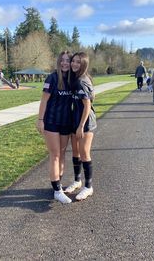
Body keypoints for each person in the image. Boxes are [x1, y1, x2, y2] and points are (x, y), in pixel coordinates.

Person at [36, 51, 73, 204]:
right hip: (51, 122)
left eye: (67, 60)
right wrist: (40, 120)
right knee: (55, 155)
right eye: (62, 60)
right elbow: (43, 101)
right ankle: (57, 191)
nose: (65, 63)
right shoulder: (51, 78)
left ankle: (58, 184)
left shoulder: (73, 79)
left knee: (63, 154)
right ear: (58, 62)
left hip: (66, 121)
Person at [64, 52, 97, 201]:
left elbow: (87, 105)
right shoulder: (75, 79)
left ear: (83, 64)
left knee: (84, 153)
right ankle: (77, 181)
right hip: (75, 119)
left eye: (78, 62)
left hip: (85, 121)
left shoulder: (82, 81)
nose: (74, 64)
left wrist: (81, 126)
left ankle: (88, 187)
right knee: (75, 152)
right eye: (73, 61)